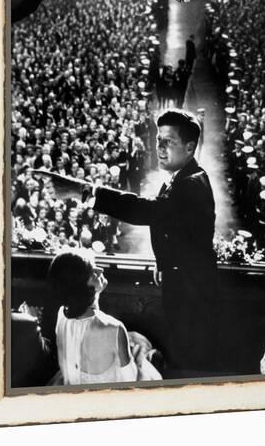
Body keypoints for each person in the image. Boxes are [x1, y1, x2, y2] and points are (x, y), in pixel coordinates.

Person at [85, 109, 220, 378]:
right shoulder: (178, 180)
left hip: (191, 293)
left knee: (188, 357)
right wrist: (163, 263)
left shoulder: (190, 185)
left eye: (169, 142)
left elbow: (146, 212)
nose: (160, 147)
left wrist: (88, 192)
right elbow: (170, 226)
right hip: (181, 282)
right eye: (158, 140)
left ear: (190, 147)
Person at [48, 249, 162, 384]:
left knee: (135, 340)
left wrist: (95, 293)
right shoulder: (115, 328)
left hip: (74, 384)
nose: (100, 270)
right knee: (143, 348)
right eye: (92, 271)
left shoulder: (62, 315)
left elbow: (88, 320)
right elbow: (129, 380)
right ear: (83, 288)